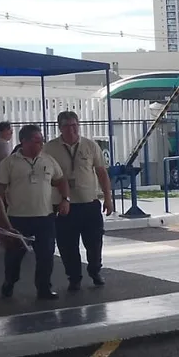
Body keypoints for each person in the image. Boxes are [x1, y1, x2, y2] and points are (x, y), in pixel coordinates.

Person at [0, 124, 70, 300]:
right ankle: (10, 281)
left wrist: (65, 199)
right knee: (14, 256)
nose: (41, 144)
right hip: (18, 219)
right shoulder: (9, 163)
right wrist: (3, 222)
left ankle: (44, 288)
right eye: (37, 141)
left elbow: (60, 180)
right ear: (24, 142)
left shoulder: (48, 160)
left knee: (46, 255)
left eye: (42, 140)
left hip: (45, 218)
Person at [44, 111, 114, 291]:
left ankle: (95, 270)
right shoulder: (50, 148)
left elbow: (101, 173)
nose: (72, 129)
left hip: (89, 203)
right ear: (60, 128)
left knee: (94, 241)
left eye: (75, 125)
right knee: (67, 245)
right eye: (67, 126)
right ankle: (74, 277)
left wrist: (108, 198)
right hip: (63, 205)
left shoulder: (90, 146)